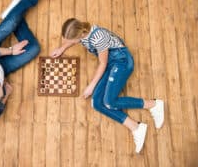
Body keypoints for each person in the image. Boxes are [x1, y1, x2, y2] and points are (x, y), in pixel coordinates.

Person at [50, 18, 164, 153]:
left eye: (71, 40)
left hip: (122, 61)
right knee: (96, 103)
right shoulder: (81, 31)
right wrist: (62, 48)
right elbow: (70, 40)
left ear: (80, 35)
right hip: (111, 63)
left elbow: (102, 64)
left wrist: (91, 85)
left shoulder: (98, 38)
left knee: (110, 102)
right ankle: (136, 127)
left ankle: (153, 104)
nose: (69, 42)